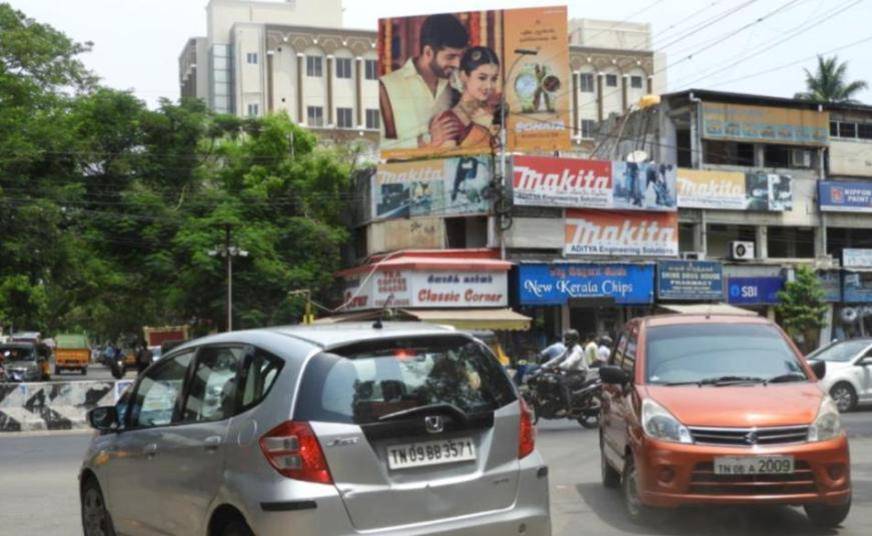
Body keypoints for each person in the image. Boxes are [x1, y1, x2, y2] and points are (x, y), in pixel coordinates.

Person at [379, 14, 468, 150]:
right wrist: (426, 140)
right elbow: (377, 147)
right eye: (450, 57)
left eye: (460, 57)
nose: (457, 63)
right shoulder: (386, 87)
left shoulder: (456, 86)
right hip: (406, 171)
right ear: (428, 52)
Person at [429, 46, 500, 150]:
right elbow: (449, 163)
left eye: (493, 79)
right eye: (482, 78)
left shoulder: (496, 113)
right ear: (464, 76)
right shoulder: (448, 121)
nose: (489, 86)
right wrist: (482, 130)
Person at [543, 330, 588, 415]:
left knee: (563, 383)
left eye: (568, 339)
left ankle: (568, 408)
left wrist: (559, 367)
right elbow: (558, 359)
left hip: (579, 374)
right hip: (569, 373)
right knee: (554, 379)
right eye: (566, 339)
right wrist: (544, 366)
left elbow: (569, 362)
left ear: (574, 340)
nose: (566, 341)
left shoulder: (577, 350)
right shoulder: (568, 349)